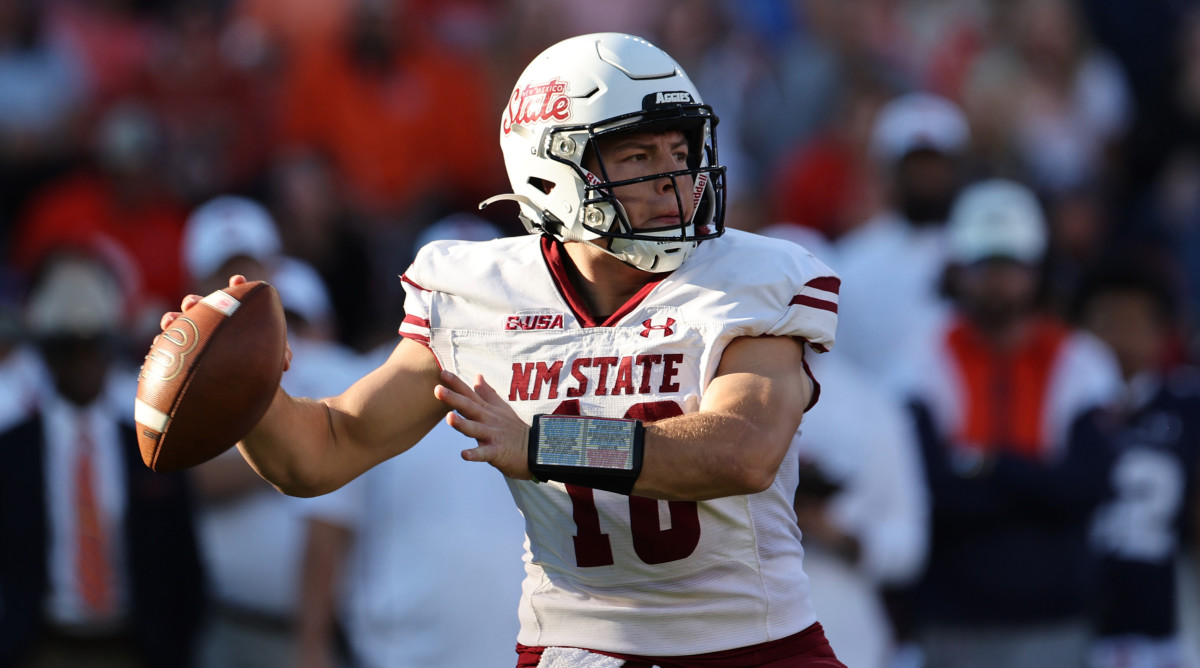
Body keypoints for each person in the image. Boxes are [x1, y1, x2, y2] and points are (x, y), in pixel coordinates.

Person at [163, 32, 844, 667]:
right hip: (579, 647)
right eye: (638, 156)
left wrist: (550, 443)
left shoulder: (750, 277)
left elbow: (741, 451)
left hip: (756, 645)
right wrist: (242, 388)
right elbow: (324, 450)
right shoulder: (479, 294)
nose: (672, 179)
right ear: (551, 172)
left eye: (680, 150)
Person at [899, 179, 1123, 668]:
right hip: (952, 615)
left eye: (1012, 265)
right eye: (984, 264)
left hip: (1057, 614)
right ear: (959, 271)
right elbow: (930, 489)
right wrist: (1035, 478)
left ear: (1036, 270)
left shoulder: (1083, 361)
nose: (999, 280)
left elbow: (1087, 487)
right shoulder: (922, 356)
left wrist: (985, 464)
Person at [0, 251, 206, 668]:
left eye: (93, 345)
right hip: (41, 645)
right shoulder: (12, 452)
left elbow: (184, 563)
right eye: (66, 348)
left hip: (135, 646)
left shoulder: (148, 449)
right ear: (46, 355)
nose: (82, 362)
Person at [1072, 263, 1200, 668]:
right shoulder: (1060, 401)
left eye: (1136, 324)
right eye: (1107, 322)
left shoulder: (1187, 404)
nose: (1121, 340)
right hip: (1067, 616)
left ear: (1164, 334)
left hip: (1163, 620)